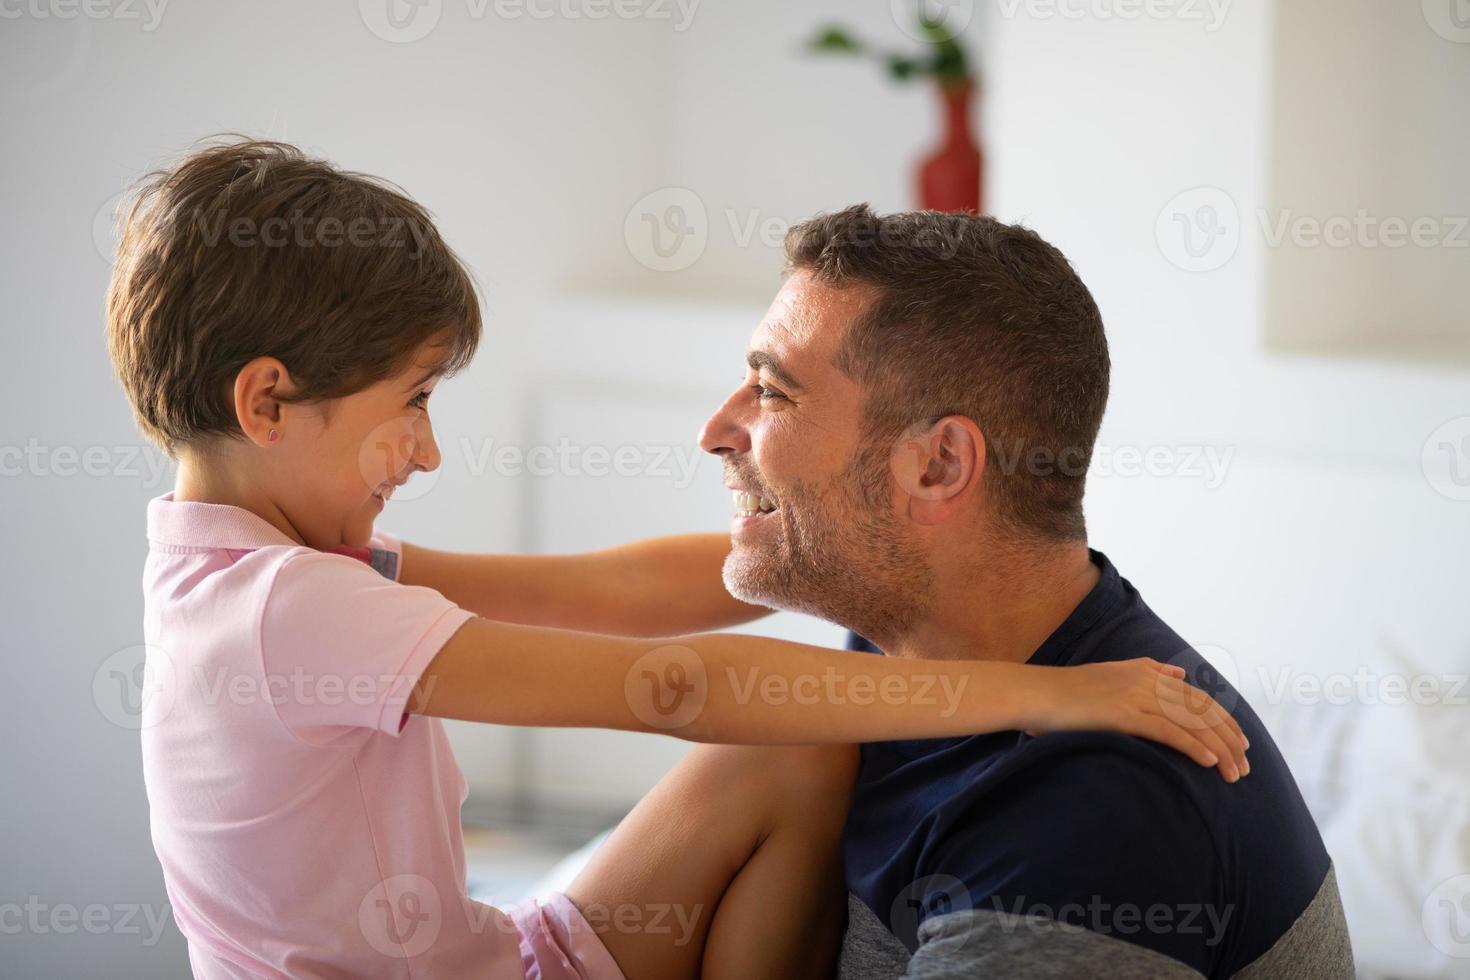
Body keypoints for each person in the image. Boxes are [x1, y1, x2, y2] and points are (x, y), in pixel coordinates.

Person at [106, 140, 1246, 980]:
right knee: (775, 738)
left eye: (774, 387)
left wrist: (807, 547)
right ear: (265, 401)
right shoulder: (293, 606)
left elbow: (617, 589)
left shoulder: (255, 574)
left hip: (490, 953)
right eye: (409, 403)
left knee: (790, 764)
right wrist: (1045, 693)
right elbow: (684, 689)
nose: (429, 447)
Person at [692, 204, 1354, 978]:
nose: (715, 429)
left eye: (773, 392)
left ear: (937, 466)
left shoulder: (1094, 819)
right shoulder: (895, 636)